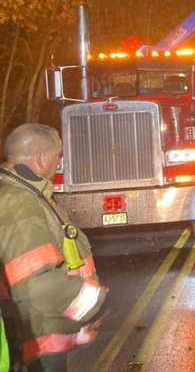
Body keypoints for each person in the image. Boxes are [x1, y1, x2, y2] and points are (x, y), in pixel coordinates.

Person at [0, 124, 107, 371]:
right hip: (36, 344)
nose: (59, 163)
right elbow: (34, 284)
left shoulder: (27, 194)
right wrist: (92, 302)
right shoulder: (20, 205)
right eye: (58, 156)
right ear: (40, 159)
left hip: (44, 332)